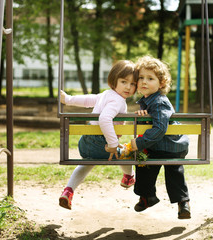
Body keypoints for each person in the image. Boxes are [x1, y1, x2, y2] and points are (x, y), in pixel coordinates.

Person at [59, 60, 137, 210]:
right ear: (114, 81)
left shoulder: (107, 94)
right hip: (102, 145)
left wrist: (68, 99)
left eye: (132, 84)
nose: (128, 87)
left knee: (87, 163)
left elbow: (88, 99)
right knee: (126, 154)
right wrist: (113, 144)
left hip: (85, 142)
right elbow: (105, 119)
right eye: (123, 82)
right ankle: (128, 177)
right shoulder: (118, 100)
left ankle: (68, 191)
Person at [130, 55, 191, 219]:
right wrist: (144, 117)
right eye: (141, 78)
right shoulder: (149, 101)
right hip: (169, 147)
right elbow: (154, 122)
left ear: (161, 83)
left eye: (150, 78)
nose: (144, 82)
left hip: (167, 146)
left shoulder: (159, 102)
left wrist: (140, 142)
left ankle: (148, 196)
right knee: (169, 170)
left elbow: (159, 128)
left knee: (143, 160)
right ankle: (182, 202)